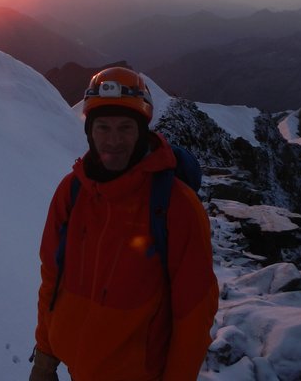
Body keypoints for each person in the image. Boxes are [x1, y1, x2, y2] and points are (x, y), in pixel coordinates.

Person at [29, 66, 219, 381]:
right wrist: (45, 356)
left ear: (142, 131)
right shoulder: (72, 192)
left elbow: (194, 311)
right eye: (102, 127)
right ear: (89, 132)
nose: (113, 140)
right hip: (77, 367)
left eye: (125, 128)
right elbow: (52, 278)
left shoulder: (176, 205)